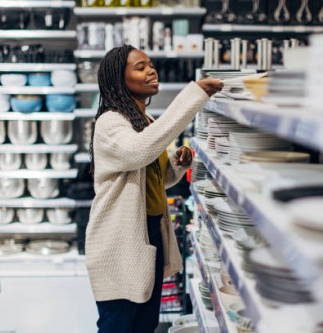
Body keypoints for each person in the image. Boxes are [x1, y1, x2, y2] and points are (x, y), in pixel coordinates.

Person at [86, 44, 223, 333]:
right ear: (118, 80)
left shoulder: (143, 121)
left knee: (145, 325)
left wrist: (176, 165)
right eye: (140, 67)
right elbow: (138, 152)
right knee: (119, 325)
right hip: (119, 241)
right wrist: (194, 95)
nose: (151, 71)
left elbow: (150, 178)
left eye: (151, 65)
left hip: (149, 232)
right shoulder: (111, 122)